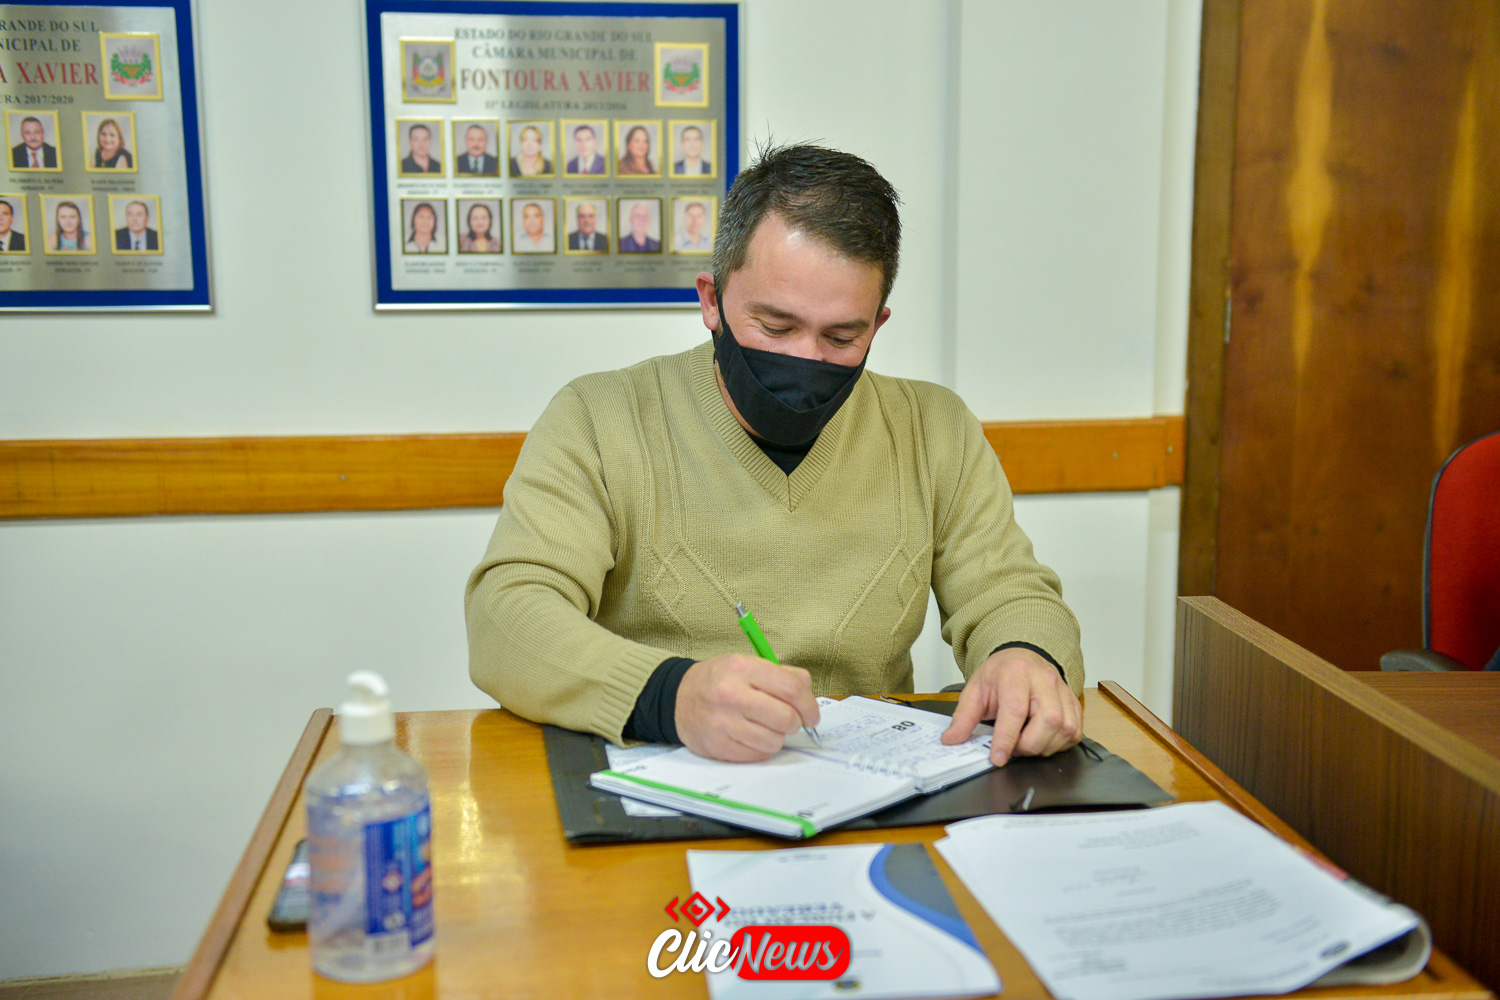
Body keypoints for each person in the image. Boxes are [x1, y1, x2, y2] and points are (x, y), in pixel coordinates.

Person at [465, 143, 1083, 766]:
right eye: (776, 327)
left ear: (877, 325)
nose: (806, 360)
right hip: (667, 778)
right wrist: (670, 696)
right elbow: (507, 617)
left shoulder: (932, 429)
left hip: (870, 785)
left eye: (841, 336)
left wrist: (1025, 656)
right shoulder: (601, 418)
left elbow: (1009, 592)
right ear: (712, 301)